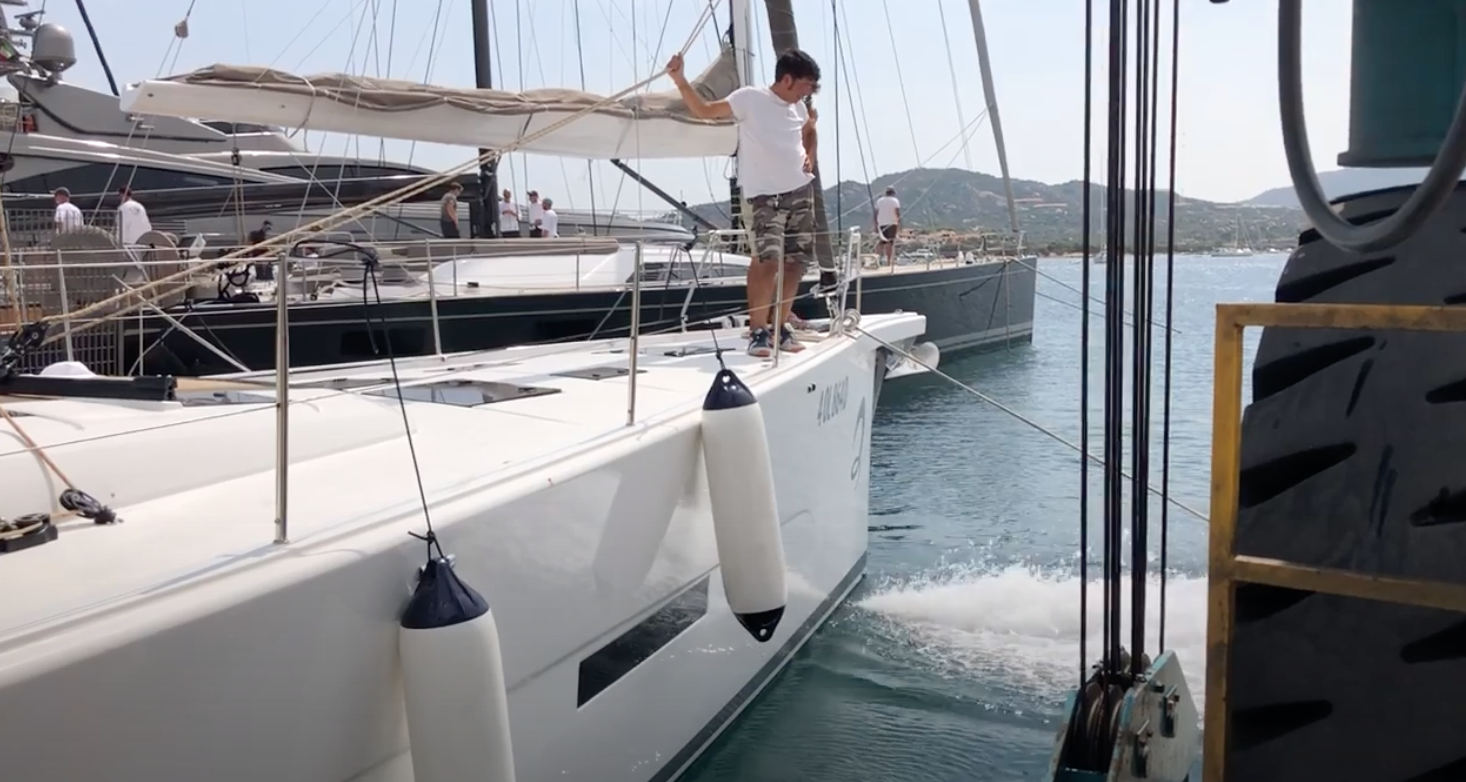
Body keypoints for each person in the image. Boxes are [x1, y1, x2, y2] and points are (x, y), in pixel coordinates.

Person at [669, 48, 820, 357]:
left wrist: (810, 156)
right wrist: (680, 80)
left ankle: (779, 328)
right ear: (787, 79)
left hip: (800, 193)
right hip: (765, 195)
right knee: (766, 262)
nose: (809, 92)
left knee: (795, 264)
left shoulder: (798, 109)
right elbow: (705, 111)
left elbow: (810, 130)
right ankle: (758, 331)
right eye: (807, 84)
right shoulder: (750, 99)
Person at [874, 185, 900, 266]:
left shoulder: (879, 201)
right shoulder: (895, 201)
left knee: (881, 242)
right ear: (893, 193)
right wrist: (900, 224)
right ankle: (889, 262)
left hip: (881, 223)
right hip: (892, 223)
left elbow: (876, 214)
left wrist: (875, 224)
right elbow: (897, 213)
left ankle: (876, 259)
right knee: (890, 242)